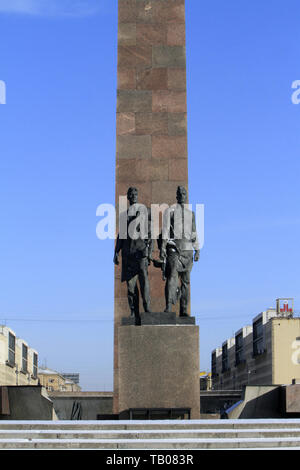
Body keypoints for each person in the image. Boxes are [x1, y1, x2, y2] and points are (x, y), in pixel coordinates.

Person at [114, 187, 152, 323]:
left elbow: (150, 234)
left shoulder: (145, 211)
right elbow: (121, 236)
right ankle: (133, 312)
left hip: (141, 252)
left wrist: (150, 252)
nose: (134, 196)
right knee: (131, 286)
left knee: (144, 281)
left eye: (136, 194)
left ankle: (147, 308)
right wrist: (116, 252)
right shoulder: (124, 215)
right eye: (131, 194)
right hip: (128, 254)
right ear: (128, 197)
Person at [160, 186, 200, 316]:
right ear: (176, 196)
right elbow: (165, 230)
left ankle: (184, 310)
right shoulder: (170, 212)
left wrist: (197, 249)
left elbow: (194, 232)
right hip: (174, 248)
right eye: (180, 193)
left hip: (187, 251)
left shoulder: (191, 214)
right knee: (172, 276)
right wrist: (162, 247)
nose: (182, 195)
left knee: (186, 282)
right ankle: (169, 306)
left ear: (186, 196)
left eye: (184, 193)